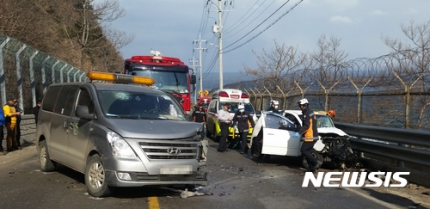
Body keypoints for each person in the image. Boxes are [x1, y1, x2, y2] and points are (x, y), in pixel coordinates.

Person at [296, 98, 321, 172]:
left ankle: (315, 162)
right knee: (308, 152)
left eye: (300, 105)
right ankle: (311, 168)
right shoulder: (310, 112)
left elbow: (306, 126)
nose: (300, 107)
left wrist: (299, 132)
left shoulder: (306, 113)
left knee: (303, 150)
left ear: (304, 105)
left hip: (310, 136)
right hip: (313, 135)